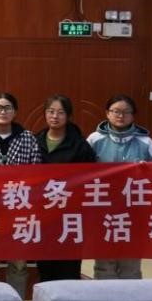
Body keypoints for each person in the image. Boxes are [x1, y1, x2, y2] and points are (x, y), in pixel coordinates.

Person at [87, 94, 152, 281]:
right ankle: (103, 299)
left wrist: (147, 171)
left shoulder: (147, 143)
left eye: (126, 112)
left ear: (133, 115)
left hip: (134, 212)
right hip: (102, 209)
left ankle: (130, 299)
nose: (120, 116)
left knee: (131, 265)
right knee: (104, 265)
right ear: (107, 113)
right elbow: (82, 173)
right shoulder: (94, 140)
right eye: (116, 111)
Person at [0, 92, 42, 297]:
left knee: (19, 263)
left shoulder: (28, 138)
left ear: (15, 112)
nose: (3, 112)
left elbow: (37, 171)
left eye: (8, 108)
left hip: (20, 209)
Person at [33, 95, 95, 283]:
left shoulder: (80, 145)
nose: (55, 116)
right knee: (45, 268)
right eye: (50, 112)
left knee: (68, 269)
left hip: (70, 214)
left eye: (60, 112)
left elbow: (89, 179)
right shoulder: (35, 140)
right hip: (43, 214)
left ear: (68, 116)